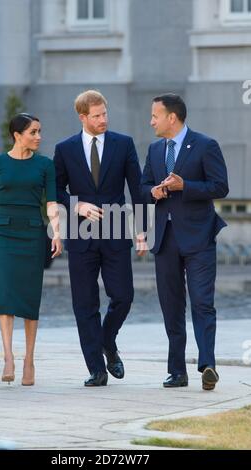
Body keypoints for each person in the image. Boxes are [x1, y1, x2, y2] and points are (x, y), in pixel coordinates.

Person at [54, 90, 147, 387]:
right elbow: (54, 190)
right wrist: (76, 205)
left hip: (117, 232)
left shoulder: (124, 144)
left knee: (123, 296)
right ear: (83, 117)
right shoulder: (65, 149)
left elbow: (138, 188)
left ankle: (108, 340)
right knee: (85, 303)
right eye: (96, 116)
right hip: (81, 236)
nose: (103, 119)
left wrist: (142, 229)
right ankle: (96, 368)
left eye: (105, 113)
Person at [141, 94, 229, 390]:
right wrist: (153, 191)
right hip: (164, 240)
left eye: (155, 115)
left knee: (203, 303)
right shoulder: (154, 150)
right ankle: (177, 371)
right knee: (171, 306)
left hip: (199, 238)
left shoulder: (205, 145)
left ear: (172, 118)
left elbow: (220, 186)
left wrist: (185, 186)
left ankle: (208, 365)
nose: (151, 121)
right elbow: (142, 187)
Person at [0, 113, 62, 386]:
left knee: (29, 295)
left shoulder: (45, 165)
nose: (39, 137)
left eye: (40, 131)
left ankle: (29, 359)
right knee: (4, 293)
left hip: (31, 233)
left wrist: (57, 232)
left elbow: (51, 202)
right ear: (17, 135)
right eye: (33, 132)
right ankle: (8, 357)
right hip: (2, 233)